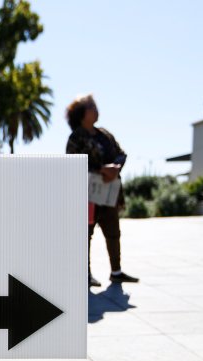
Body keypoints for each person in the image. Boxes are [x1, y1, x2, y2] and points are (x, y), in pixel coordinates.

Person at [65, 94, 139, 287]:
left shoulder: (105, 134)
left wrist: (115, 167)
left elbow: (121, 154)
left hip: (110, 192)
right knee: (85, 234)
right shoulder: (76, 138)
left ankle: (116, 271)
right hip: (88, 195)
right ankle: (85, 274)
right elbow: (71, 163)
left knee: (113, 231)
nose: (96, 110)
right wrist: (100, 170)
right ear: (81, 113)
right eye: (92, 107)